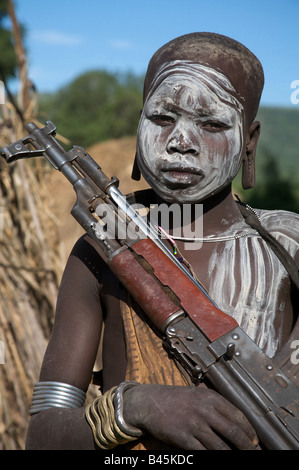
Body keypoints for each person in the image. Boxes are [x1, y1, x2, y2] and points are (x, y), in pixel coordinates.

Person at [25, 32, 299, 450]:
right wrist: (136, 407)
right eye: (162, 118)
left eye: (211, 123)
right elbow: (44, 436)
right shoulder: (102, 249)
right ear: (139, 125)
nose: (180, 142)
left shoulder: (288, 246)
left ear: (249, 140)